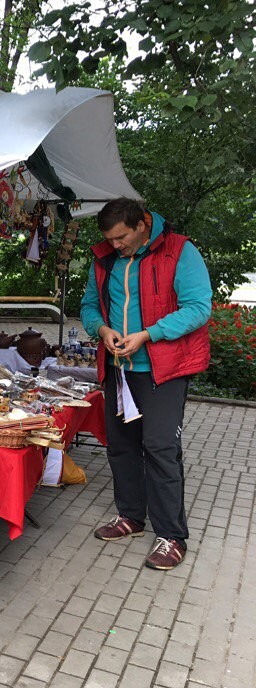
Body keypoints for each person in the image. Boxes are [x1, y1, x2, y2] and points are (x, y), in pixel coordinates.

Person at [81, 198, 212, 570]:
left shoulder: (180, 251)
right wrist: (102, 330)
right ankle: (131, 517)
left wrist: (148, 334)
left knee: (160, 448)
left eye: (121, 237)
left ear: (141, 224)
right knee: (121, 445)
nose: (115, 245)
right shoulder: (105, 258)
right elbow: (89, 306)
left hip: (163, 370)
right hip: (119, 369)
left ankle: (171, 536)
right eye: (110, 238)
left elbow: (199, 308)